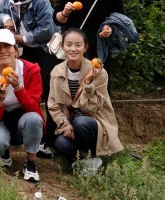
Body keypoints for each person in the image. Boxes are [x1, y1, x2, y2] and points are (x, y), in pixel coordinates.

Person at [0, 0, 60, 155]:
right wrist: (6, 19)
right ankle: (32, 135)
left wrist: (20, 38)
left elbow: (47, 30)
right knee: (29, 91)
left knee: (49, 93)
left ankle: (49, 139)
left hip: (45, 50)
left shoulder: (39, 0)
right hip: (26, 50)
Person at [48, 28, 123, 176]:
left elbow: (93, 107)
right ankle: (87, 160)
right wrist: (65, 125)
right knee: (60, 143)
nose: (73, 49)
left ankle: (90, 157)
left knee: (81, 122)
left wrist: (88, 83)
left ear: (85, 47)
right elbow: (53, 105)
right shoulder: (56, 72)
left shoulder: (99, 72)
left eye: (78, 45)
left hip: (93, 122)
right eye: (69, 44)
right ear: (62, 46)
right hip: (72, 123)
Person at [0, 29, 44, 183]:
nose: (2, 51)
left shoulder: (31, 70)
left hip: (24, 119)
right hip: (1, 121)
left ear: (16, 50)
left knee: (34, 119)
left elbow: (34, 108)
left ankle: (31, 162)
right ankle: (3, 153)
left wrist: (18, 88)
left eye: (7, 46)